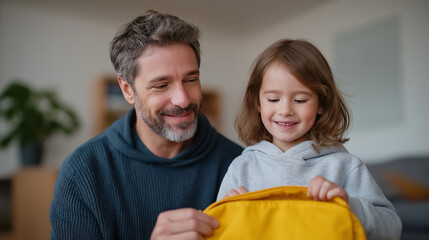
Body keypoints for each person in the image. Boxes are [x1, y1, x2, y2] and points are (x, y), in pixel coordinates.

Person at [49, 10, 243, 240]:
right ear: (127, 90)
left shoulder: (240, 165)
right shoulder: (83, 172)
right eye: (161, 85)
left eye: (191, 80)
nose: (183, 99)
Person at [216, 39, 402, 240]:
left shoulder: (344, 166)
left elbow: (392, 230)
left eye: (300, 100)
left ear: (321, 103)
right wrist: (229, 215)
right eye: (273, 99)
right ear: (257, 102)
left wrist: (349, 205)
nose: (285, 110)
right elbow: (217, 230)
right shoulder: (240, 168)